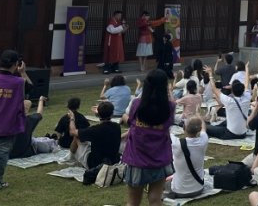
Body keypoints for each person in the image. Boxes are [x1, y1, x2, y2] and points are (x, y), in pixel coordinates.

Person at [121, 69, 176, 206]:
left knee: (133, 201)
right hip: (159, 157)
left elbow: (130, 121)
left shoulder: (136, 104)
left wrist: (128, 120)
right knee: (155, 199)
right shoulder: (170, 107)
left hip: (137, 158)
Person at [0, 49, 30, 190]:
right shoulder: (18, 82)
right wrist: (23, 72)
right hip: (7, 126)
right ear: (16, 64)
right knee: (1, 155)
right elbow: (30, 89)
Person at [69, 100, 121, 169]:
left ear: (98, 114)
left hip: (95, 164)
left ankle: (70, 157)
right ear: (112, 113)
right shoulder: (117, 127)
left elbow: (72, 132)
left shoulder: (94, 130)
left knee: (77, 137)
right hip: (113, 161)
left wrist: (72, 118)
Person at [167, 117, 208, 200]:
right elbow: (203, 128)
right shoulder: (204, 140)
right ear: (199, 129)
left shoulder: (176, 143)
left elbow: (165, 131)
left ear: (184, 128)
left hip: (178, 191)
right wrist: (199, 117)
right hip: (199, 189)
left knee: (160, 178)